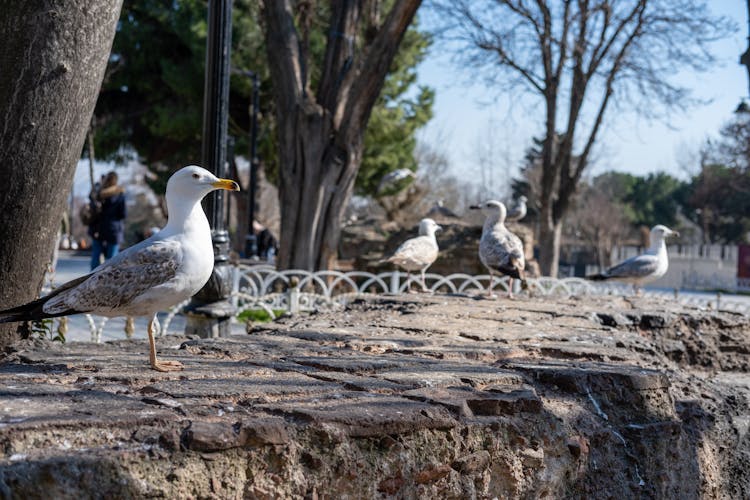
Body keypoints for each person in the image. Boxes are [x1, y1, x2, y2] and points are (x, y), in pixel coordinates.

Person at [88, 171, 126, 270]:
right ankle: (110, 278)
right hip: (114, 229)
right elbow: (123, 214)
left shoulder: (99, 193)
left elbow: (92, 204)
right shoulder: (120, 194)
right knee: (112, 258)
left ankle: (91, 277)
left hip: (98, 228)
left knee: (96, 256)